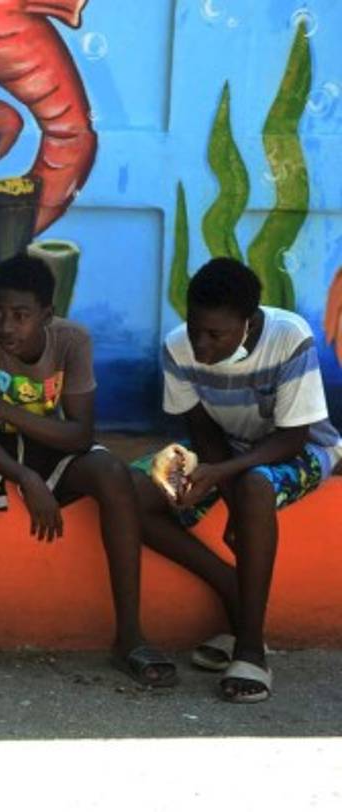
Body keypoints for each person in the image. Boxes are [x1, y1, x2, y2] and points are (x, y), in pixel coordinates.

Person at [0, 253, 177, 687]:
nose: (6, 326)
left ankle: (130, 635)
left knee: (111, 473)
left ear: (46, 315)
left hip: (50, 445)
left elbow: (81, 435)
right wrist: (23, 476)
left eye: (21, 315)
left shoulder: (72, 341)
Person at [131, 257, 342, 703]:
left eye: (216, 335)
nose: (201, 345)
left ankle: (249, 648)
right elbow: (204, 433)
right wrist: (221, 488)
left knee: (256, 486)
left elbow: (292, 438)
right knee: (129, 493)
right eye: (195, 330)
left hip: (303, 449)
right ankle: (230, 586)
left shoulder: (290, 337)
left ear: (247, 324)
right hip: (226, 451)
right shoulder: (177, 348)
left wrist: (228, 481)